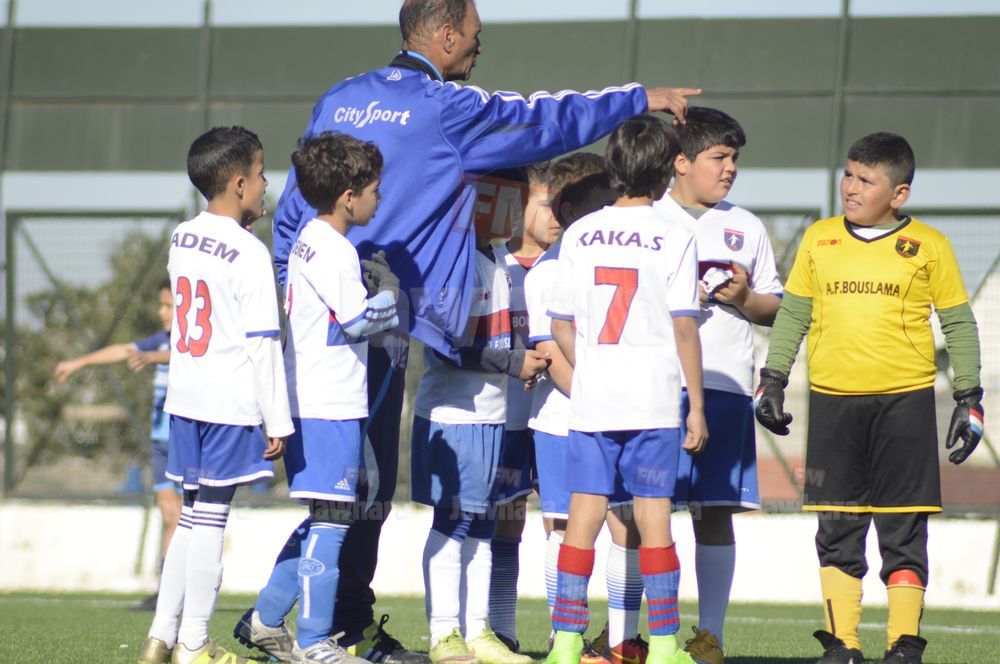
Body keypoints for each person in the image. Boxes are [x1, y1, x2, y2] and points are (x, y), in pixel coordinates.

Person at [269, 1, 700, 656]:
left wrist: (290, 287)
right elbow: (546, 119)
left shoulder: (342, 97)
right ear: (446, 36)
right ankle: (324, 623)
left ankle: (299, 618)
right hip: (377, 322)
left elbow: (291, 208)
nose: (479, 48)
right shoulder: (445, 107)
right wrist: (637, 99)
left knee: (345, 490)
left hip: (321, 321)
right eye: (475, 35)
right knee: (357, 492)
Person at [754, 132, 984, 664]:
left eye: (866, 180)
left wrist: (969, 396)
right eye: (848, 175)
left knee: (903, 530)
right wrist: (773, 377)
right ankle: (844, 644)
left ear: (899, 194)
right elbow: (794, 313)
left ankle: (904, 644)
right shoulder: (819, 238)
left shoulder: (929, 245)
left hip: (905, 406)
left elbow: (958, 323)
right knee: (837, 528)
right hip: (833, 405)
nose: (851, 188)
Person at [546, 116, 707, 664]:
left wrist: (593, 366)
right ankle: (662, 646)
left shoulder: (580, 232)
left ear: (613, 167)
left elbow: (561, 325)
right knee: (653, 520)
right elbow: (684, 328)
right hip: (652, 402)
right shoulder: (676, 234)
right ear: (666, 172)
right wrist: (697, 406)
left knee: (582, 519)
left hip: (594, 400)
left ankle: (566, 644)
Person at [238, 132, 400, 664]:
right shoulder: (333, 248)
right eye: (374, 190)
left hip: (314, 398)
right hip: (327, 403)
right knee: (332, 523)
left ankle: (266, 618)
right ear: (349, 196)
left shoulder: (309, 236)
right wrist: (390, 296)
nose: (379, 198)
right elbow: (357, 321)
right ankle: (313, 642)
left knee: (326, 517)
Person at [139, 126, 294, 664]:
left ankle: (161, 636)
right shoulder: (250, 251)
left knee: (190, 516)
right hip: (228, 402)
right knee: (211, 520)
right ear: (238, 184)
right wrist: (278, 419)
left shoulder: (182, 236)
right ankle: (195, 641)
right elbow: (262, 344)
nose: (266, 183)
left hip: (184, 400)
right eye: (261, 173)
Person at [651, 107, 783, 663]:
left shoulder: (745, 225)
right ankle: (631, 633)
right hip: (654, 388)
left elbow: (774, 308)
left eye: (735, 159)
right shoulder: (646, 217)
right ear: (681, 161)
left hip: (725, 386)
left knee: (714, 513)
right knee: (641, 513)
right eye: (719, 157)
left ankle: (710, 638)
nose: (730, 168)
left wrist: (744, 298)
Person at [411, 199, 550, 664]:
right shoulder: (455, 260)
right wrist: (514, 363)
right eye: (507, 201)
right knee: (453, 522)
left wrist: (522, 362)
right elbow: (447, 348)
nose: (515, 213)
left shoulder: (499, 261)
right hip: (453, 415)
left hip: (492, 415)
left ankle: (477, 631)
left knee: (486, 525)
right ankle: (443, 633)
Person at [526, 152, 648, 664]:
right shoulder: (547, 272)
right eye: (602, 203)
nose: (612, 213)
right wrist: (606, 399)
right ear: (571, 210)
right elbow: (553, 357)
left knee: (628, 525)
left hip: (619, 417)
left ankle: (622, 640)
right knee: (563, 526)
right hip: (565, 421)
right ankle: (565, 637)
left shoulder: (619, 259)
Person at [54, 277, 182, 611]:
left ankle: (183, 591)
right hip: (160, 440)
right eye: (161, 305)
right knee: (169, 515)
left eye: (169, 305)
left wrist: (154, 357)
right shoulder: (160, 341)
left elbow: (186, 356)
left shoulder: (191, 342)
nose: (162, 312)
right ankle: (166, 591)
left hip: (185, 439)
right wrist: (79, 362)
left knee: (187, 518)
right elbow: (124, 350)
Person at [487, 162, 559, 653]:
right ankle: (502, 630)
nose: (557, 216)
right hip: (508, 418)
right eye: (547, 205)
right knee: (506, 522)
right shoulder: (494, 263)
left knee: (561, 522)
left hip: (557, 416)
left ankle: (563, 632)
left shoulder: (569, 264)